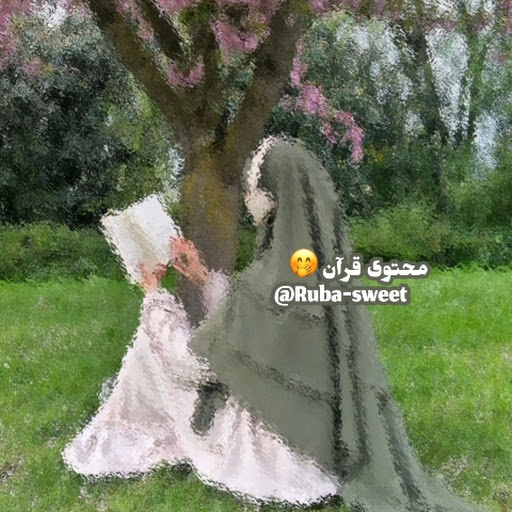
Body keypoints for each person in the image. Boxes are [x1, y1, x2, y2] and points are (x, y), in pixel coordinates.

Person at [189, 138, 488, 512]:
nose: (248, 198)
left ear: (279, 192)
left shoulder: (279, 279)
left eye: (255, 186)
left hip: (284, 442)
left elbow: (239, 336)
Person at [62, 138, 338, 505]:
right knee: (160, 338)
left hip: (263, 423)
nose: (247, 199)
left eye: (252, 191)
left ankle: (128, 421)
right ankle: (128, 407)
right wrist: (204, 277)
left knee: (150, 344)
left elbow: (196, 363)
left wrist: (154, 296)